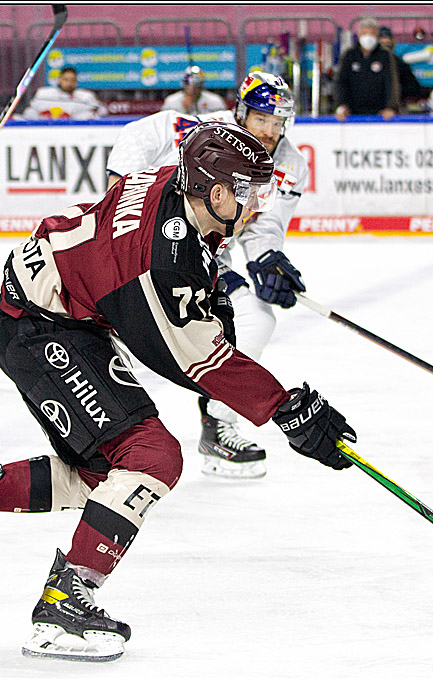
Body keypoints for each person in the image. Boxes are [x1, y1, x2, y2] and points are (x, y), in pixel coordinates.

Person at [0, 121, 358, 662]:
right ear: (218, 191)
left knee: (108, 476)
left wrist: (217, 292)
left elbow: (187, 270)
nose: (255, 207)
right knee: (153, 456)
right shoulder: (156, 266)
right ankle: (63, 604)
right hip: (40, 326)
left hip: (59, 309)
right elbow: (198, 360)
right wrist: (287, 409)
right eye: (249, 193)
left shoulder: (171, 183)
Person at [106, 71, 308, 480]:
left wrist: (268, 257)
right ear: (241, 111)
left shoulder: (290, 164)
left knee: (256, 316)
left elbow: (264, 224)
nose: (270, 130)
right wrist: (123, 191)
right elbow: (139, 133)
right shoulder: (211, 128)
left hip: (210, 250)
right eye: (261, 119)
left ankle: (217, 421)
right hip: (156, 233)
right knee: (120, 326)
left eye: (277, 121)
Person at [334, 17, 400, 121]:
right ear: (359, 35)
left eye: (371, 34)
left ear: (377, 36)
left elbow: (391, 83)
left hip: (380, 113)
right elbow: (341, 82)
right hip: (352, 113)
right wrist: (341, 105)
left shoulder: (385, 56)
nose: (368, 37)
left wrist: (391, 107)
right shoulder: (349, 55)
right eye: (365, 33)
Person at [23, 66, 107, 120]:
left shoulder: (85, 97)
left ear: (76, 82)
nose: (69, 83)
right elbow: (30, 112)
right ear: (60, 79)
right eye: (66, 79)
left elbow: (101, 111)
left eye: (72, 80)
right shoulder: (44, 94)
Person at [378, 25, 425, 110]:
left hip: (394, 107)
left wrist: (397, 91)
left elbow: (414, 88)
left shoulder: (399, 64)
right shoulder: (367, 63)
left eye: (387, 45)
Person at [161, 66, 228, 115]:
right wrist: (184, 109)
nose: (192, 88)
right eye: (189, 85)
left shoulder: (215, 101)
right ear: (184, 84)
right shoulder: (171, 102)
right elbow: (165, 124)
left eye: (197, 86)